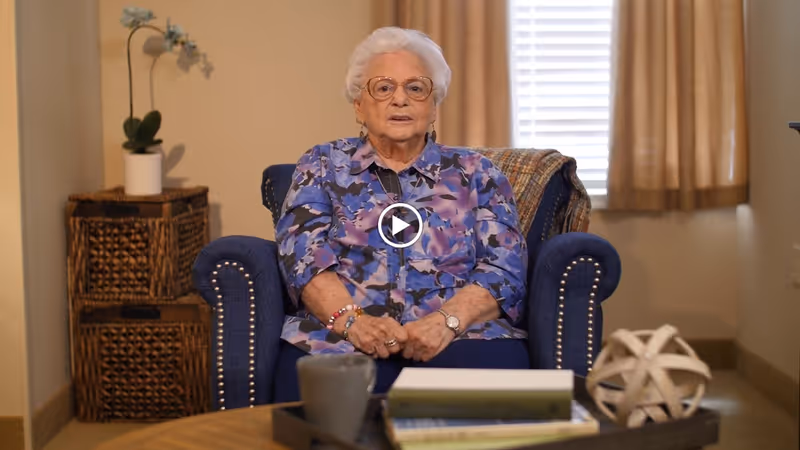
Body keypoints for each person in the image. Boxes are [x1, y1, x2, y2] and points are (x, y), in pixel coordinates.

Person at [273, 27, 529, 402]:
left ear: (434, 104)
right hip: (338, 340)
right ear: (359, 105)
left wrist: (446, 322)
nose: (400, 100)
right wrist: (353, 322)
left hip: (463, 337)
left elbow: (504, 269)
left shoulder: (477, 172)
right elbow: (302, 256)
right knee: (322, 429)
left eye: (415, 88)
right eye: (383, 87)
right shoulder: (322, 165)